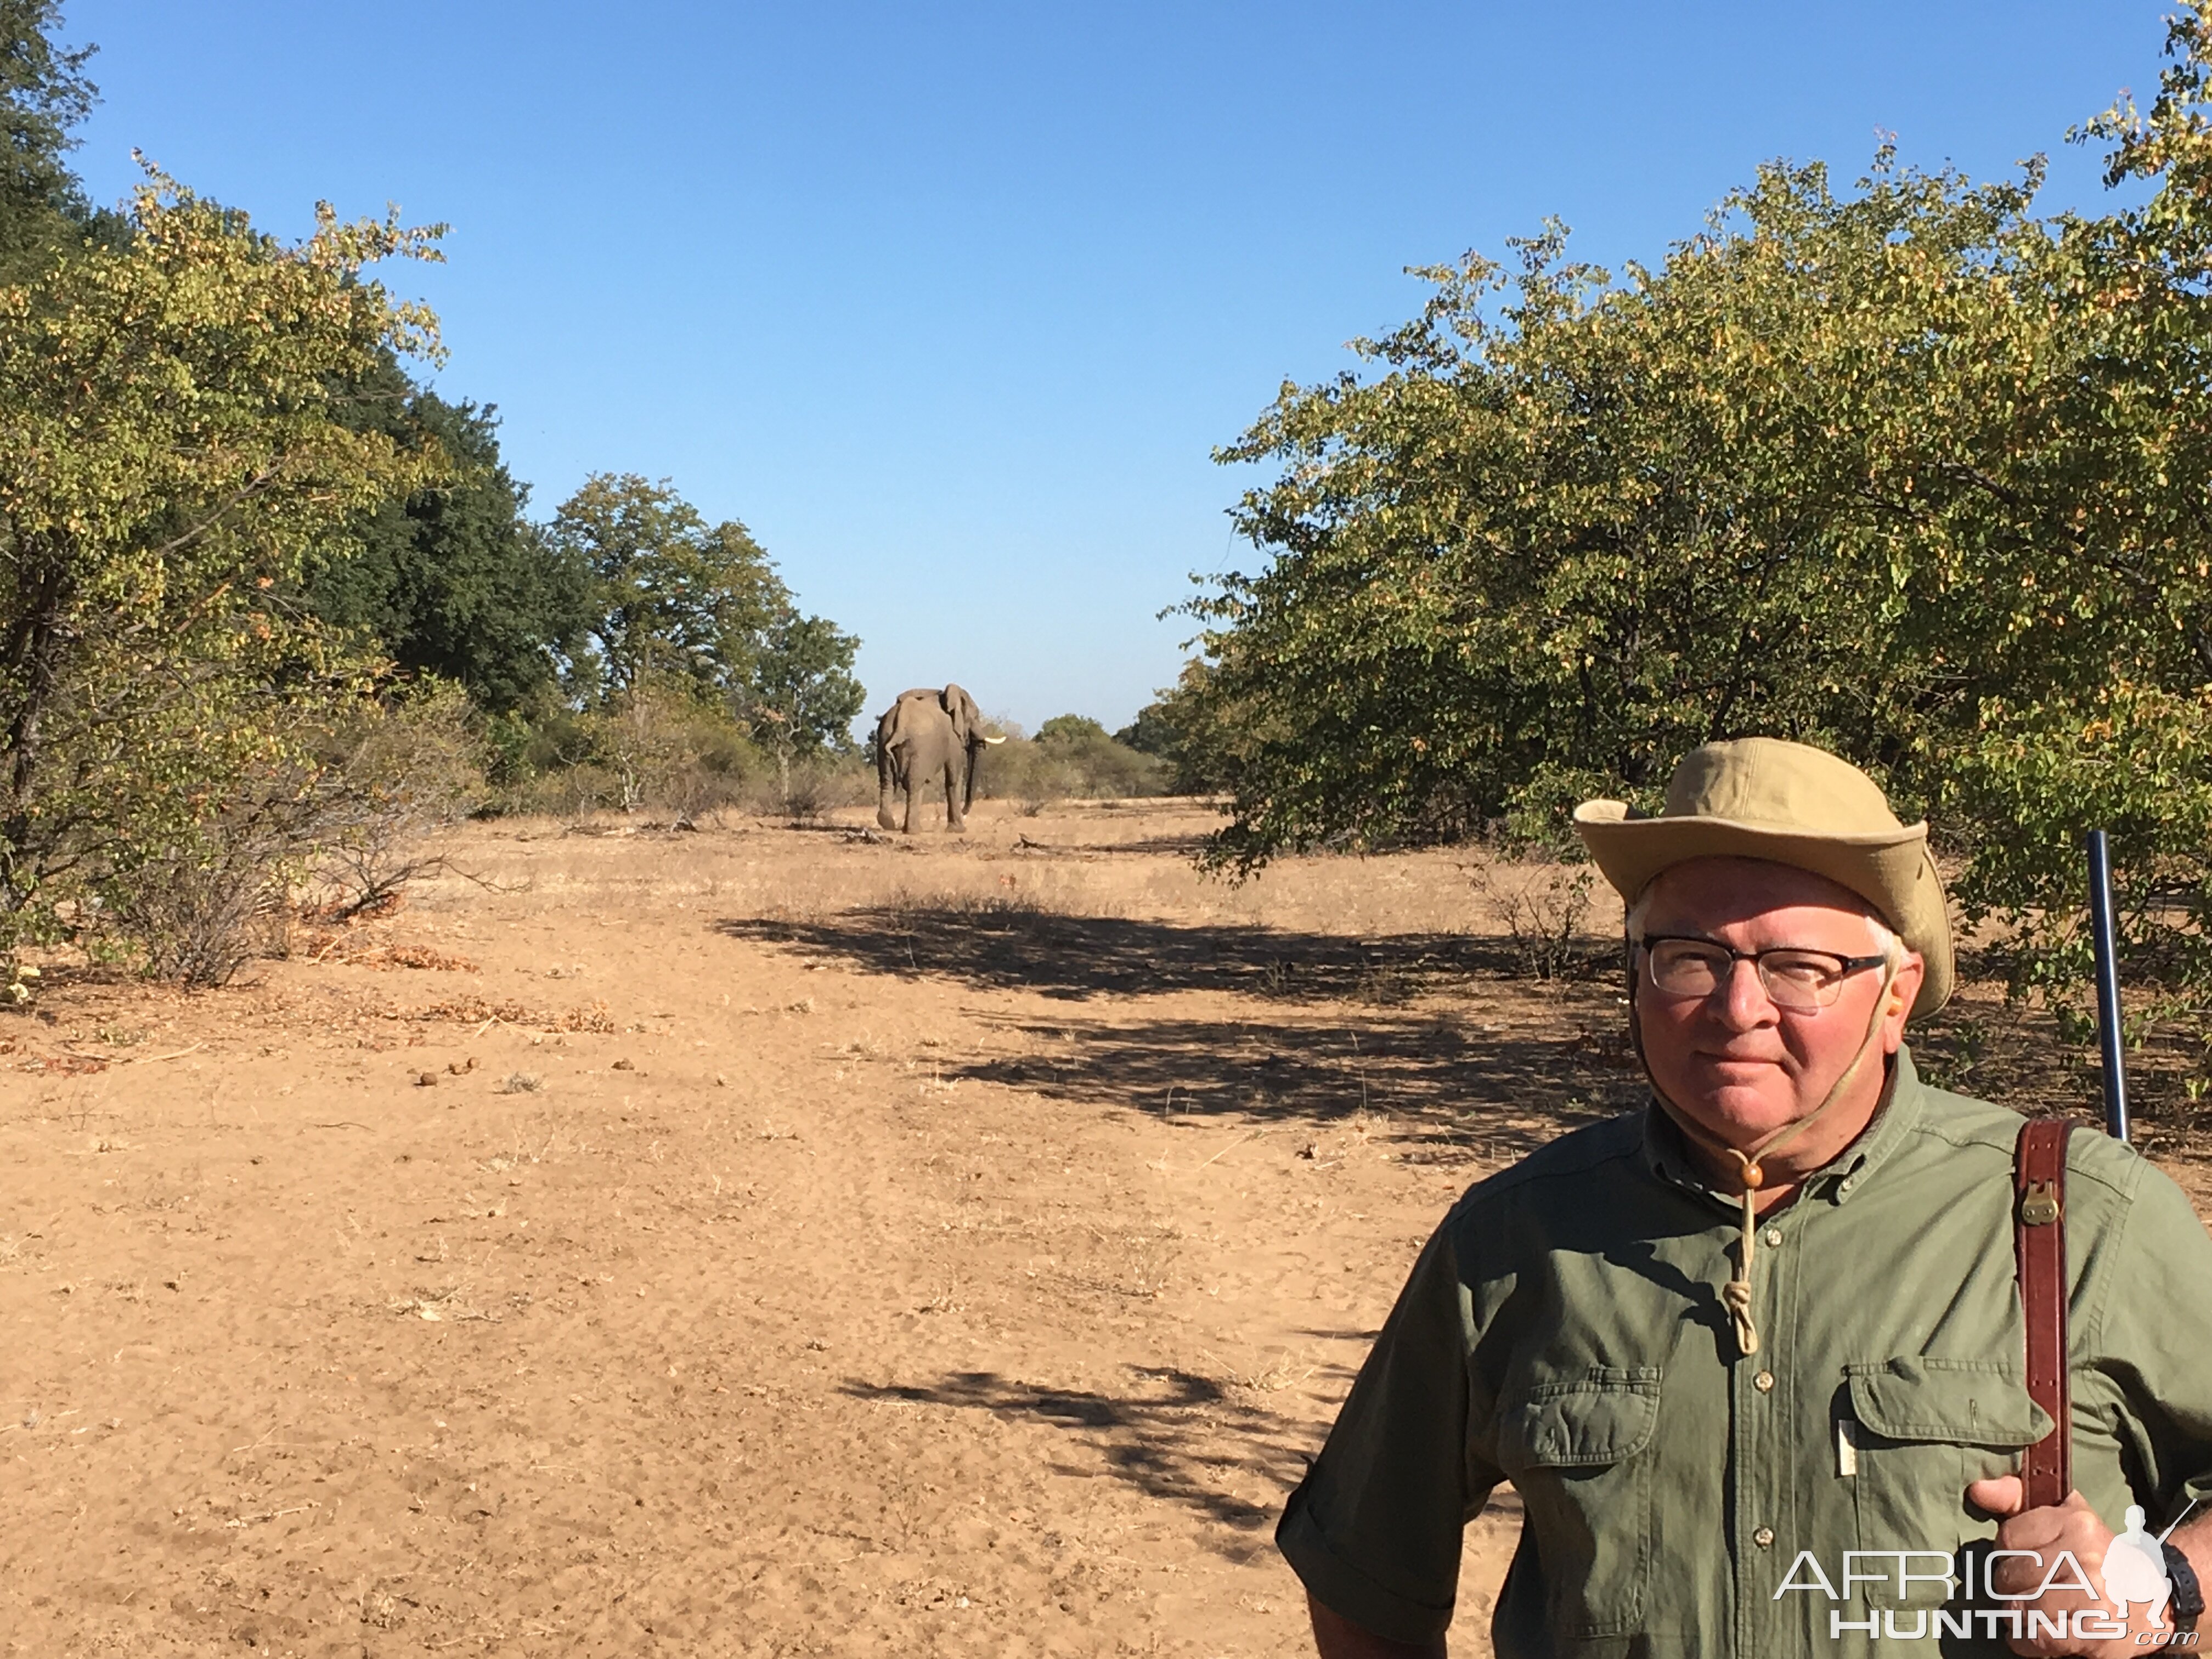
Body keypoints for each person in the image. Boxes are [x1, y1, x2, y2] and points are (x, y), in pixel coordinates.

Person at [1277, 737, 2212, 1658]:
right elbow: (1364, 1575)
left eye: (1800, 967)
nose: (1736, 1009)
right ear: (1635, 974)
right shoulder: (1515, 1236)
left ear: (1896, 996)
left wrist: (2158, 1589)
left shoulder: (2080, 1218)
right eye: (1690, 957)